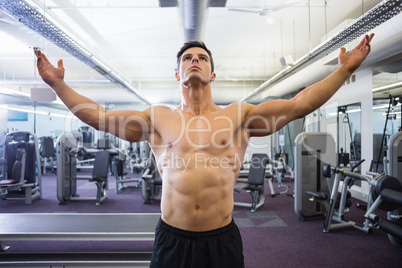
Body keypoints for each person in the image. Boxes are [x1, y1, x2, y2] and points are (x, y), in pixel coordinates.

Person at [34, 33, 374, 267]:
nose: (194, 61)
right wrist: (58, 84)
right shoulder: (157, 117)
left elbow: (299, 105)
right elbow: (100, 118)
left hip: (220, 239)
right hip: (172, 238)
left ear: (212, 73)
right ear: (177, 72)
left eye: (201, 58)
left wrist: (344, 69)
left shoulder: (238, 116)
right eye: (187, 58)